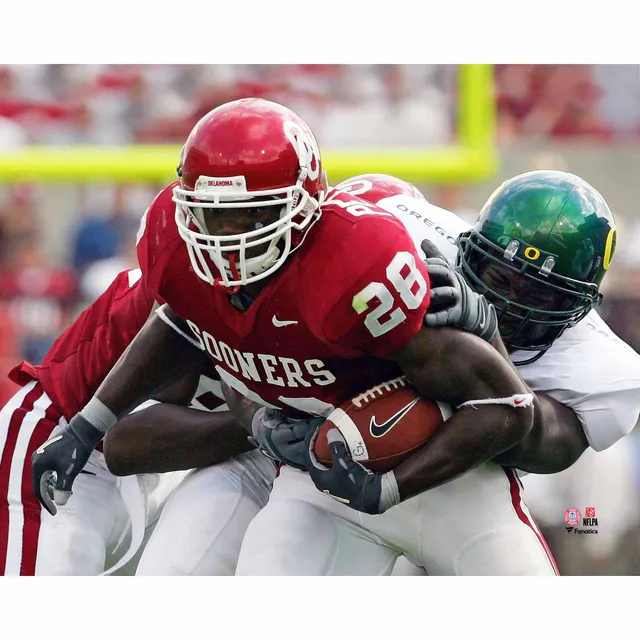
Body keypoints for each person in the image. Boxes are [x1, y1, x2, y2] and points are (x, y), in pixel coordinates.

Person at [32, 98, 557, 576]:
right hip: (314, 482)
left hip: (447, 482)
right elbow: (178, 324)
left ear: (305, 205)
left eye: (248, 215)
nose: (227, 239)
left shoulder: (353, 270)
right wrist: (85, 428)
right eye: (213, 217)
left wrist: (391, 486)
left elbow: (506, 402)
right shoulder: (182, 259)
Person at [1, 265, 269, 575]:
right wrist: (262, 423)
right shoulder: (191, 283)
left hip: (172, 464)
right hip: (65, 448)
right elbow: (125, 443)